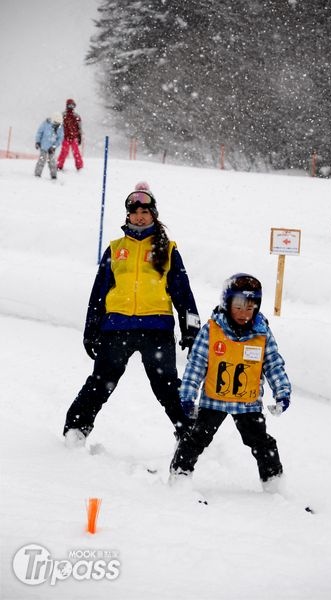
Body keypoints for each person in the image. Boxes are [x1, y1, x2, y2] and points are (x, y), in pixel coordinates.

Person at [63, 182, 201, 447]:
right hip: (116, 327)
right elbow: (99, 294)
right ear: (127, 215)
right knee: (101, 382)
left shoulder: (168, 250)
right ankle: (76, 429)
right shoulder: (115, 249)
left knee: (166, 385)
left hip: (156, 329)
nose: (139, 216)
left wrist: (191, 329)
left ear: (153, 215)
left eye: (145, 212)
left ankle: (189, 433)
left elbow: (183, 293)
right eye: (134, 211)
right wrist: (91, 329)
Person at [169, 273, 291, 491]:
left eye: (250, 308)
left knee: (262, 443)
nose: (244, 314)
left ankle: (274, 484)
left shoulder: (261, 334)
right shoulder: (211, 331)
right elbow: (196, 364)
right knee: (196, 439)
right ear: (226, 304)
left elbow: (272, 363)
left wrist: (282, 390)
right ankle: (180, 475)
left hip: (247, 403)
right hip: (213, 401)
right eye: (238, 307)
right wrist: (187, 395)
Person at [34, 113, 64, 179]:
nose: (57, 125)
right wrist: (37, 142)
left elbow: (60, 139)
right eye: (56, 123)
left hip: (51, 148)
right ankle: (37, 174)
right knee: (42, 160)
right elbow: (39, 132)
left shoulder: (60, 128)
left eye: (58, 124)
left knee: (52, 162)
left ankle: (53, 175)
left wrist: (54, 146)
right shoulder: (46, 124)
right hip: (44, 146)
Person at [57, 98, 83, 171]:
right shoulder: (63, 115)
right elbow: (59, 126)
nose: (70, 106)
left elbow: (79, 127)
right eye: (69, 105)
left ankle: (79, 166)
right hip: (65, 137)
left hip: (74, 137)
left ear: (74, 106)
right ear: (67, 105)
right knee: (64, 152)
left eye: (72, 105)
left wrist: (79, 136)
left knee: (76, 152)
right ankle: (59, 165)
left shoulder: (76, 116)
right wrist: (59, 135)